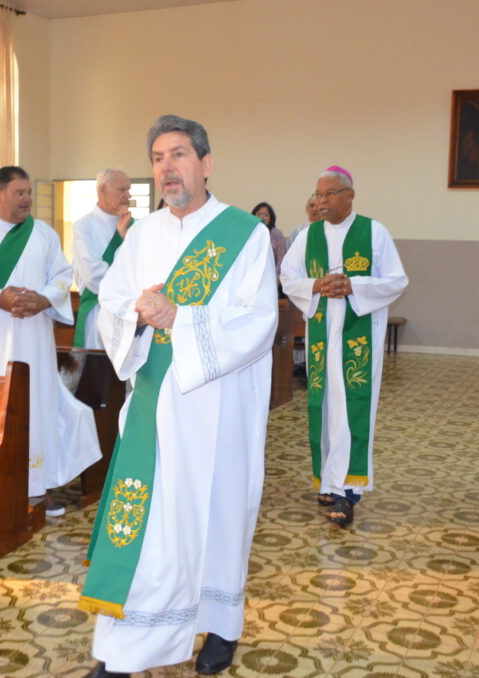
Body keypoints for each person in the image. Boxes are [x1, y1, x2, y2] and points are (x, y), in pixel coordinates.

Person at [79, 115, 277, 678]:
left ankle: (220, 625)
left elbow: (258, 321)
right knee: (151, 522)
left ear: (206, 164)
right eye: (159, 157)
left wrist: (181, 319)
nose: (168, 167)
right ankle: (124, 651)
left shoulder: (245, 234)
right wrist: (138, 319)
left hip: (218, 406)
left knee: (218, 516)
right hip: (153, 404)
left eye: (180, 154)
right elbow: (110, 305)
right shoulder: (141, 235)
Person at [0, 166, 101, 517]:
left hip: (34, 344)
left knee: (36, 408)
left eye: (29, 192)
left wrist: (43, 300)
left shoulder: (43, 235)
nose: (27, 199)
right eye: (20, 193)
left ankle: (36, 490)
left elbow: (62, 276)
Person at [280, 166, 408, 528]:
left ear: (350, 195)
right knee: (323, 406)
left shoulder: (374, 232)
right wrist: (317, 285)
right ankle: (326, 480)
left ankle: (347, 492)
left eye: (329, 194)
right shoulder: (307, 236)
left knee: (351, 407)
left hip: (357, 333)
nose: (321, 201)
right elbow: (288, 277)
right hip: (322, 331)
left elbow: (397, 281)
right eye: (317, 195)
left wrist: (355, 287)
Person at [72, 168, 133, 348]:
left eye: (129, 190)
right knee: (97, 373)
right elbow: (93, 277)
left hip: (129, 316)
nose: (128, 195)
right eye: (122, 190)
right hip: (97, 313)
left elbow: (141, 271)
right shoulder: (83, 227)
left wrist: (126, 237)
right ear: (102, 190)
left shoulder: (134, 226)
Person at [251, 201, 287, 284]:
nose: (262, 217)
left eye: (265, 215)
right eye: (259, 214)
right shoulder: (249, 234)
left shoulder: (277, 234)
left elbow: (281, 258)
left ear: (271, 218)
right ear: (254, 216)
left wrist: (275, 275)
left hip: (272, 276)